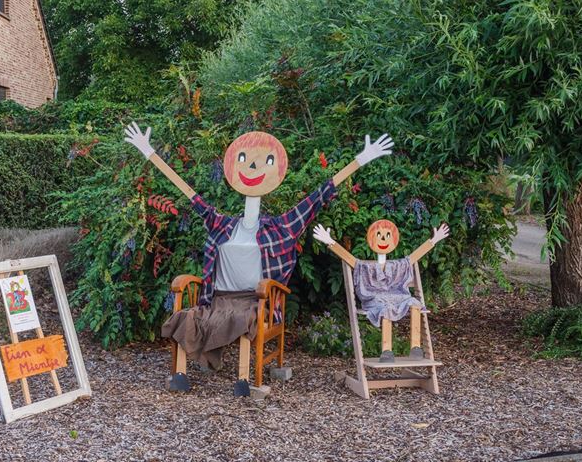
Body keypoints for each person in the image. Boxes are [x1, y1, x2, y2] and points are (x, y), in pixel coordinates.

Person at [124, 122, 395, 394]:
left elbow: (317, 197)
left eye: (263, 163)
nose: (252, 169)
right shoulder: (222, 224)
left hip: (256, 300)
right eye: (244, 161)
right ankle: (180, 375)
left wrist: (360, 160)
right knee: (188, 315)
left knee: (243, 317)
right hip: (217, 298)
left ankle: (242, 379)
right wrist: (149, 152)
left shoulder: (280, 228)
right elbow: (188, 193)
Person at [312, 221, 450, 362]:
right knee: (385, 309)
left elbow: (414, 257)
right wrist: (330, 242)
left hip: (398, 297)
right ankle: (387, 351)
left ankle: (415, 348)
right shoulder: (364, 267)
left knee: (415, 303)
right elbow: (350, 260)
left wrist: (434, 240)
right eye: (379, 235)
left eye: (387, 235)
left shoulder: (398, 265)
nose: (383, 239)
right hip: (375, 299)